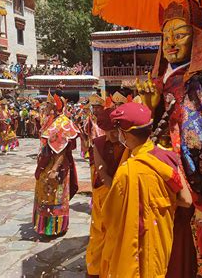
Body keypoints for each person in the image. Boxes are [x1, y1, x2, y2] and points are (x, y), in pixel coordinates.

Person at [136, 0, 202, 277]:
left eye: (181, 34)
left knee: (189, 247)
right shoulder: (156, 82)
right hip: (160, 173)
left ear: (197, 39)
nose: (171, 42)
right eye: (166, 36)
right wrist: (148, 109)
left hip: (189, 180)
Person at [100, 102, 191, 277]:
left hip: (133, 246)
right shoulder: (169, 158)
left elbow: (110, 217)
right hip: (159, 242)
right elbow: (186, 201)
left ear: (125, 134)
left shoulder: (127, 171)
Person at [86, 107, 127, 277]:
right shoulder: (98, 143)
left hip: (121, 192)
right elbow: (101, 172)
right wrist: (113, 189)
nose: (113, 136)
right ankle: (95, 269)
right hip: (105, 192)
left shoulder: (128, 145)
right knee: (100, 231)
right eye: (109, 132)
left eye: (116, 132)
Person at [33, 89, 79, 236]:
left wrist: (54, 169)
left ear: (53, 106)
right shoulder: (49, 121)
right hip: (45, 163)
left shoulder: (62, 122)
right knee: (44, 194)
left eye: (47, 104)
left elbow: (61, 150)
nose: (44, 107)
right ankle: (43, 225)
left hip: (56, 167)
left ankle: (54, 227)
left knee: (55, 196)